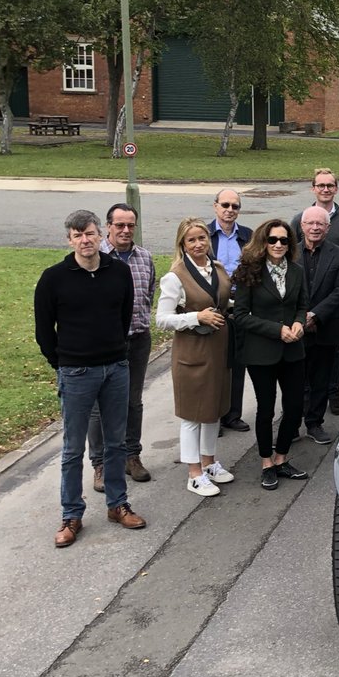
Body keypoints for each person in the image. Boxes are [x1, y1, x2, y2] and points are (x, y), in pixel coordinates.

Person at [35, 210, 146, 547]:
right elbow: (44, 331)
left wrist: (116, 352)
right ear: (69, 240)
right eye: (77, 235)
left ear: (101, 235)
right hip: (76, 372)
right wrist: (62, 364)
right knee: (72, 449)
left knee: (116, 443)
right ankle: (72, 515)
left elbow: (124, 316)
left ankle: (117, 504)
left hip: (115, 368)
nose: (85, 240)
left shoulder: (119, 272)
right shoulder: (53, 278)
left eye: (90, 233)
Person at [154, 217, 234, 497]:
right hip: (192, 351)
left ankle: (209, 463)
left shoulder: (217, 268)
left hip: (219, 348)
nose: (198, 244)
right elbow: (162, 319)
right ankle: (194, 473)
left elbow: (222, 300)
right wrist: (195, 317)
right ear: (182, 244)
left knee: (213, 409)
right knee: (192, 414)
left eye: (202, 238)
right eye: (192, 240)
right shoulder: (175, 277)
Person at [233, 219, 310, 490]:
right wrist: (277, 330)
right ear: (263, 242)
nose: (278, 244)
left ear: (290, 244)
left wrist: (299, 322)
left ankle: (281, 458)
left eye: (284, 240)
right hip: (261, 353)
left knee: (294, 408)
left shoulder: (297, 271)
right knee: (266, 408)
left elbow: (302, 305)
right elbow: (240, 315)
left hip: (293, 351)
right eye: (273, 239)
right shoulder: (249, 271)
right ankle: (266, 463)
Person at [87, 202, 155, 491]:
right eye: (120, 225)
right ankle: (101, 464)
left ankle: (131, 456)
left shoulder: (144, 257)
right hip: (104, 344)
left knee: (133, 401)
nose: (126, 230)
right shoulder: (95, 257)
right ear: (108, 227)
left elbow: (149, 292)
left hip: (138, 339)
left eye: (130, 225)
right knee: (99, 406)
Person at [290, 167, 339, 418]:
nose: (325, 189)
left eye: (330, 185)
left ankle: (332, 393)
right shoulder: (299, 218)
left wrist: (320, 312)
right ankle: (305, 400)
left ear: (336, 188)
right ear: (313, 188)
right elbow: (292, 257)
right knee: (303, 356)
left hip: (332, 300)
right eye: (321, 185)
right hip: (301, 306)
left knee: (332, 351)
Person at [297, 206, 339, 445]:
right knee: (295, 381)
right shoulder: (289, 253)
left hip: (327, 326)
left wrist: (315, 315)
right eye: (310, 223)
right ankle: (291, 425)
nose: (315, 227)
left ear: (328, 228)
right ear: (302, 226)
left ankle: (314, 424)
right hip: (296, 328)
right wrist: (301, 317)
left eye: (320, 223)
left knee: (321, 380)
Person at [208, 188, 252, 434]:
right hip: (212, 305)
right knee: (214, 365)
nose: (229, 210)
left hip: (239, 305)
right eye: (225, 205)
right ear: (215, 206)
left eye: (235, 206)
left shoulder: (247, 236)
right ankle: (213, 416)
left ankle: (232, 415)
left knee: (237, 362)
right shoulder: (204, 234)